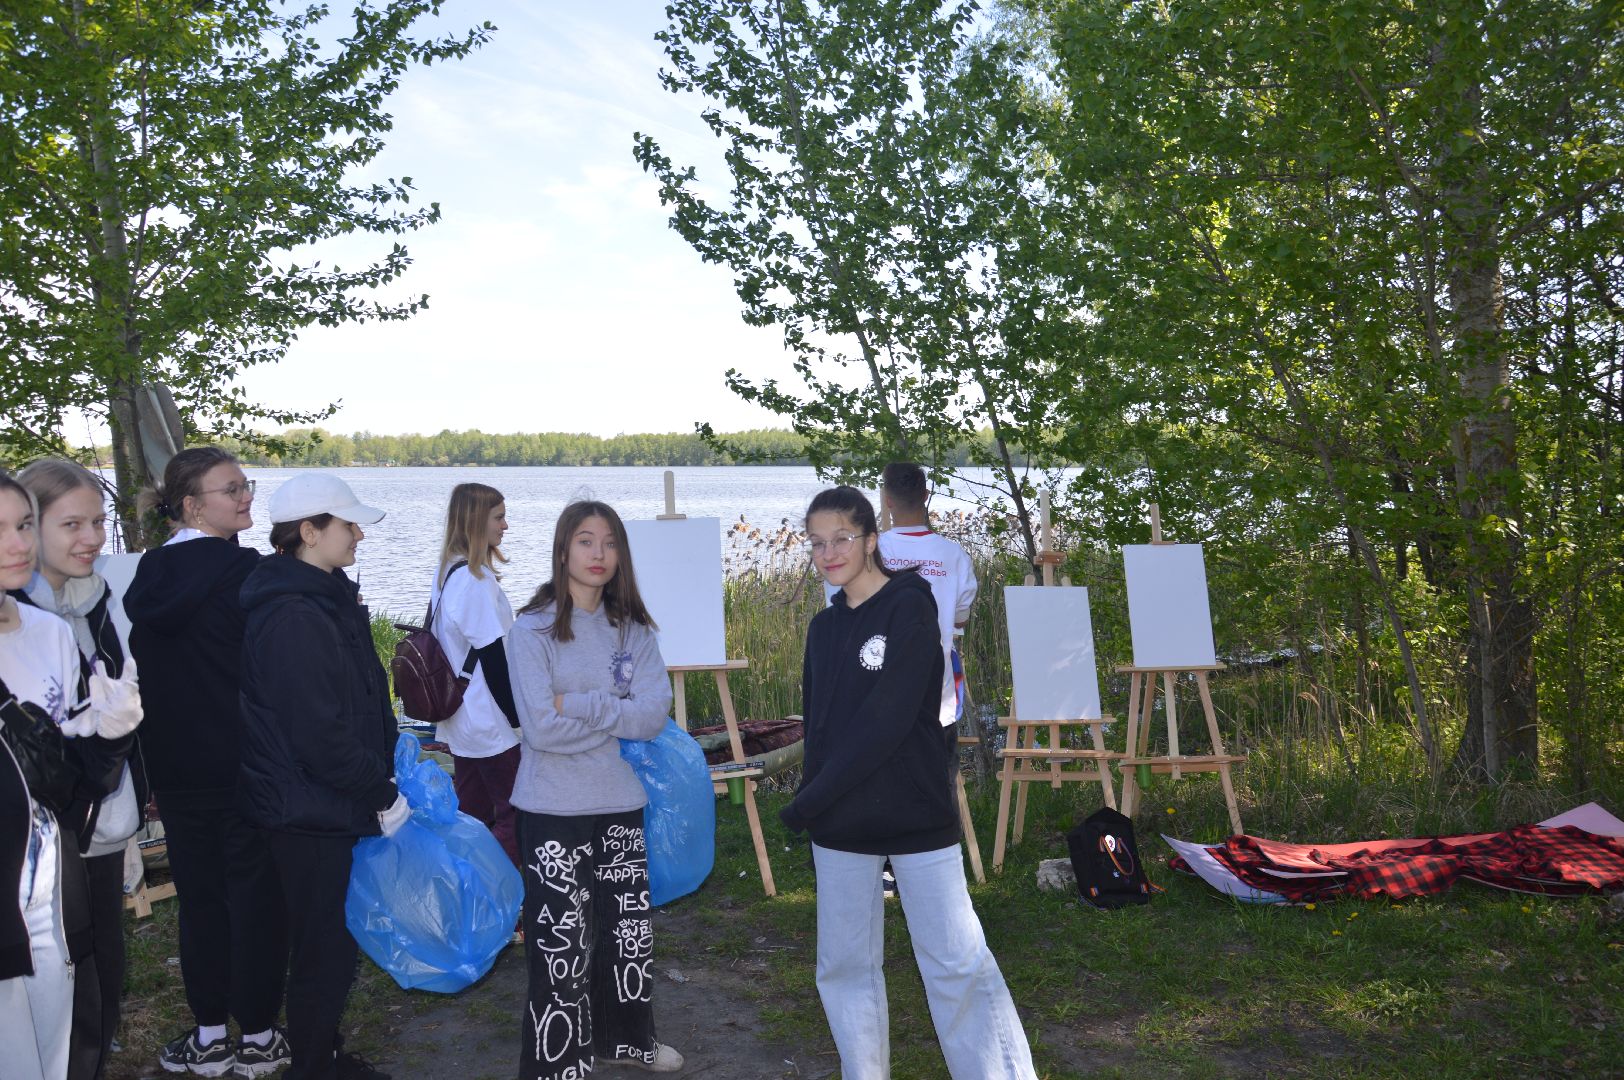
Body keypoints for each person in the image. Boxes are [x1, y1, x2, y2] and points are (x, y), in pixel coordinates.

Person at [782, 486, 1037, 1080]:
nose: (829, 552)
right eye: (817, 543)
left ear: (872, 539)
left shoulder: (910, 606)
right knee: (844, 966)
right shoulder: (822, 629)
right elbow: (819, 726)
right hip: (840, 825)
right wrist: (818, 802)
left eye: (841, 537)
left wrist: (805, 802)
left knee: (955, 961)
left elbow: (888, 720)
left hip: (916, 816)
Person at [124, 447, 290, 1077]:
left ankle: (211, 1034)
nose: (246, 496)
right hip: (245, 762)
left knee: (200, 901)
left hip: (177, 764)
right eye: (231, 489)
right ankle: (259, 1038)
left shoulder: (146, 576)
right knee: (255, 897)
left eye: (246, 485)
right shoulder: (248, 572)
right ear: (192, 504)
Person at [506, 500, 683, 1077]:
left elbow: (654, 716)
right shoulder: (531, 630)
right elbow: (540, 728)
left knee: (627, 940)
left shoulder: (634, 631)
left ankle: (626, 1042)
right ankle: (559, 1062)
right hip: (552, 809)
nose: (599, 554)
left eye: (609, 543)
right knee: (563, 948)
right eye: (586, 541)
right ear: (563, 550)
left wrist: (579, 705)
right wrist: (613, 715)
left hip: (620, 806)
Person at [238, 473, 404, 1080]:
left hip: (325, 800)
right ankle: (312, 1065)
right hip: (305, 808)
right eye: (347, 524)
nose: (359, 533)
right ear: (309, 532)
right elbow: (317, 733)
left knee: (331, 943)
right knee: (320, 949)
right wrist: (379, 789)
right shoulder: (293, 615)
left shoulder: (324, 596)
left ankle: (323, 1053)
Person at [16, 459, 145, 1080]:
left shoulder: (96, 604)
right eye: (73, 524)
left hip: (99, 822)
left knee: (98, 966)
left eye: (97, 521)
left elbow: (114, 717)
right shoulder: (21, 622)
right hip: (34, 845)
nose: (92, 537)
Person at [428, 483, 521, 865]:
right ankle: (506, 892)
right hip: (489, 721)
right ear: (476, 521)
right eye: (499, 517)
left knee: (472, 812)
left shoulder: (447, 571)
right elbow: (494, 660)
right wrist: (519, 720)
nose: (506, 525)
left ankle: (471, 891)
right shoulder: (473, 580)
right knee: (516, 810)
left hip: (463, 718)